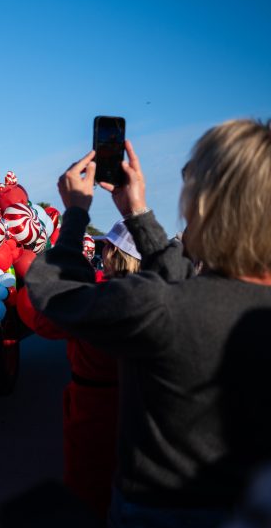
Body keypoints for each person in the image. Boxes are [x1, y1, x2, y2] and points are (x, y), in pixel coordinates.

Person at [26, 121, 271, 527]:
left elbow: (53, 292)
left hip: (158, 510)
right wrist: (136, 214)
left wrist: (74, 216)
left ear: (205, 208)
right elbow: (180, 280)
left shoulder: (159, 306)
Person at [18, 224, 140, 518]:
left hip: (94, 405)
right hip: (140, 401)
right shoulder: (155, 294)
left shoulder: (94, 298)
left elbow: (45, 323)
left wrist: (25, 291)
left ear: (113, 253)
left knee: (87, 484)